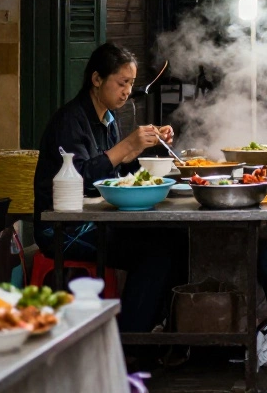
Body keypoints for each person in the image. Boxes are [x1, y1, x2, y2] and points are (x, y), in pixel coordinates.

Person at [33, 43, 184, 333]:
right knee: (155, 254)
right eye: (122, 82)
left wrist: (145, 147)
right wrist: (126, 146)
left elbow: (118, 174)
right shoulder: (70, 121)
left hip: (99, 218)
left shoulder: (108, 119)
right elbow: (81, 178)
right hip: (64, 228)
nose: (127, 91)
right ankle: (130, 337)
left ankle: (160, 328)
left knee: (175, 238)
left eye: (131, 84)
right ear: (97, 79)